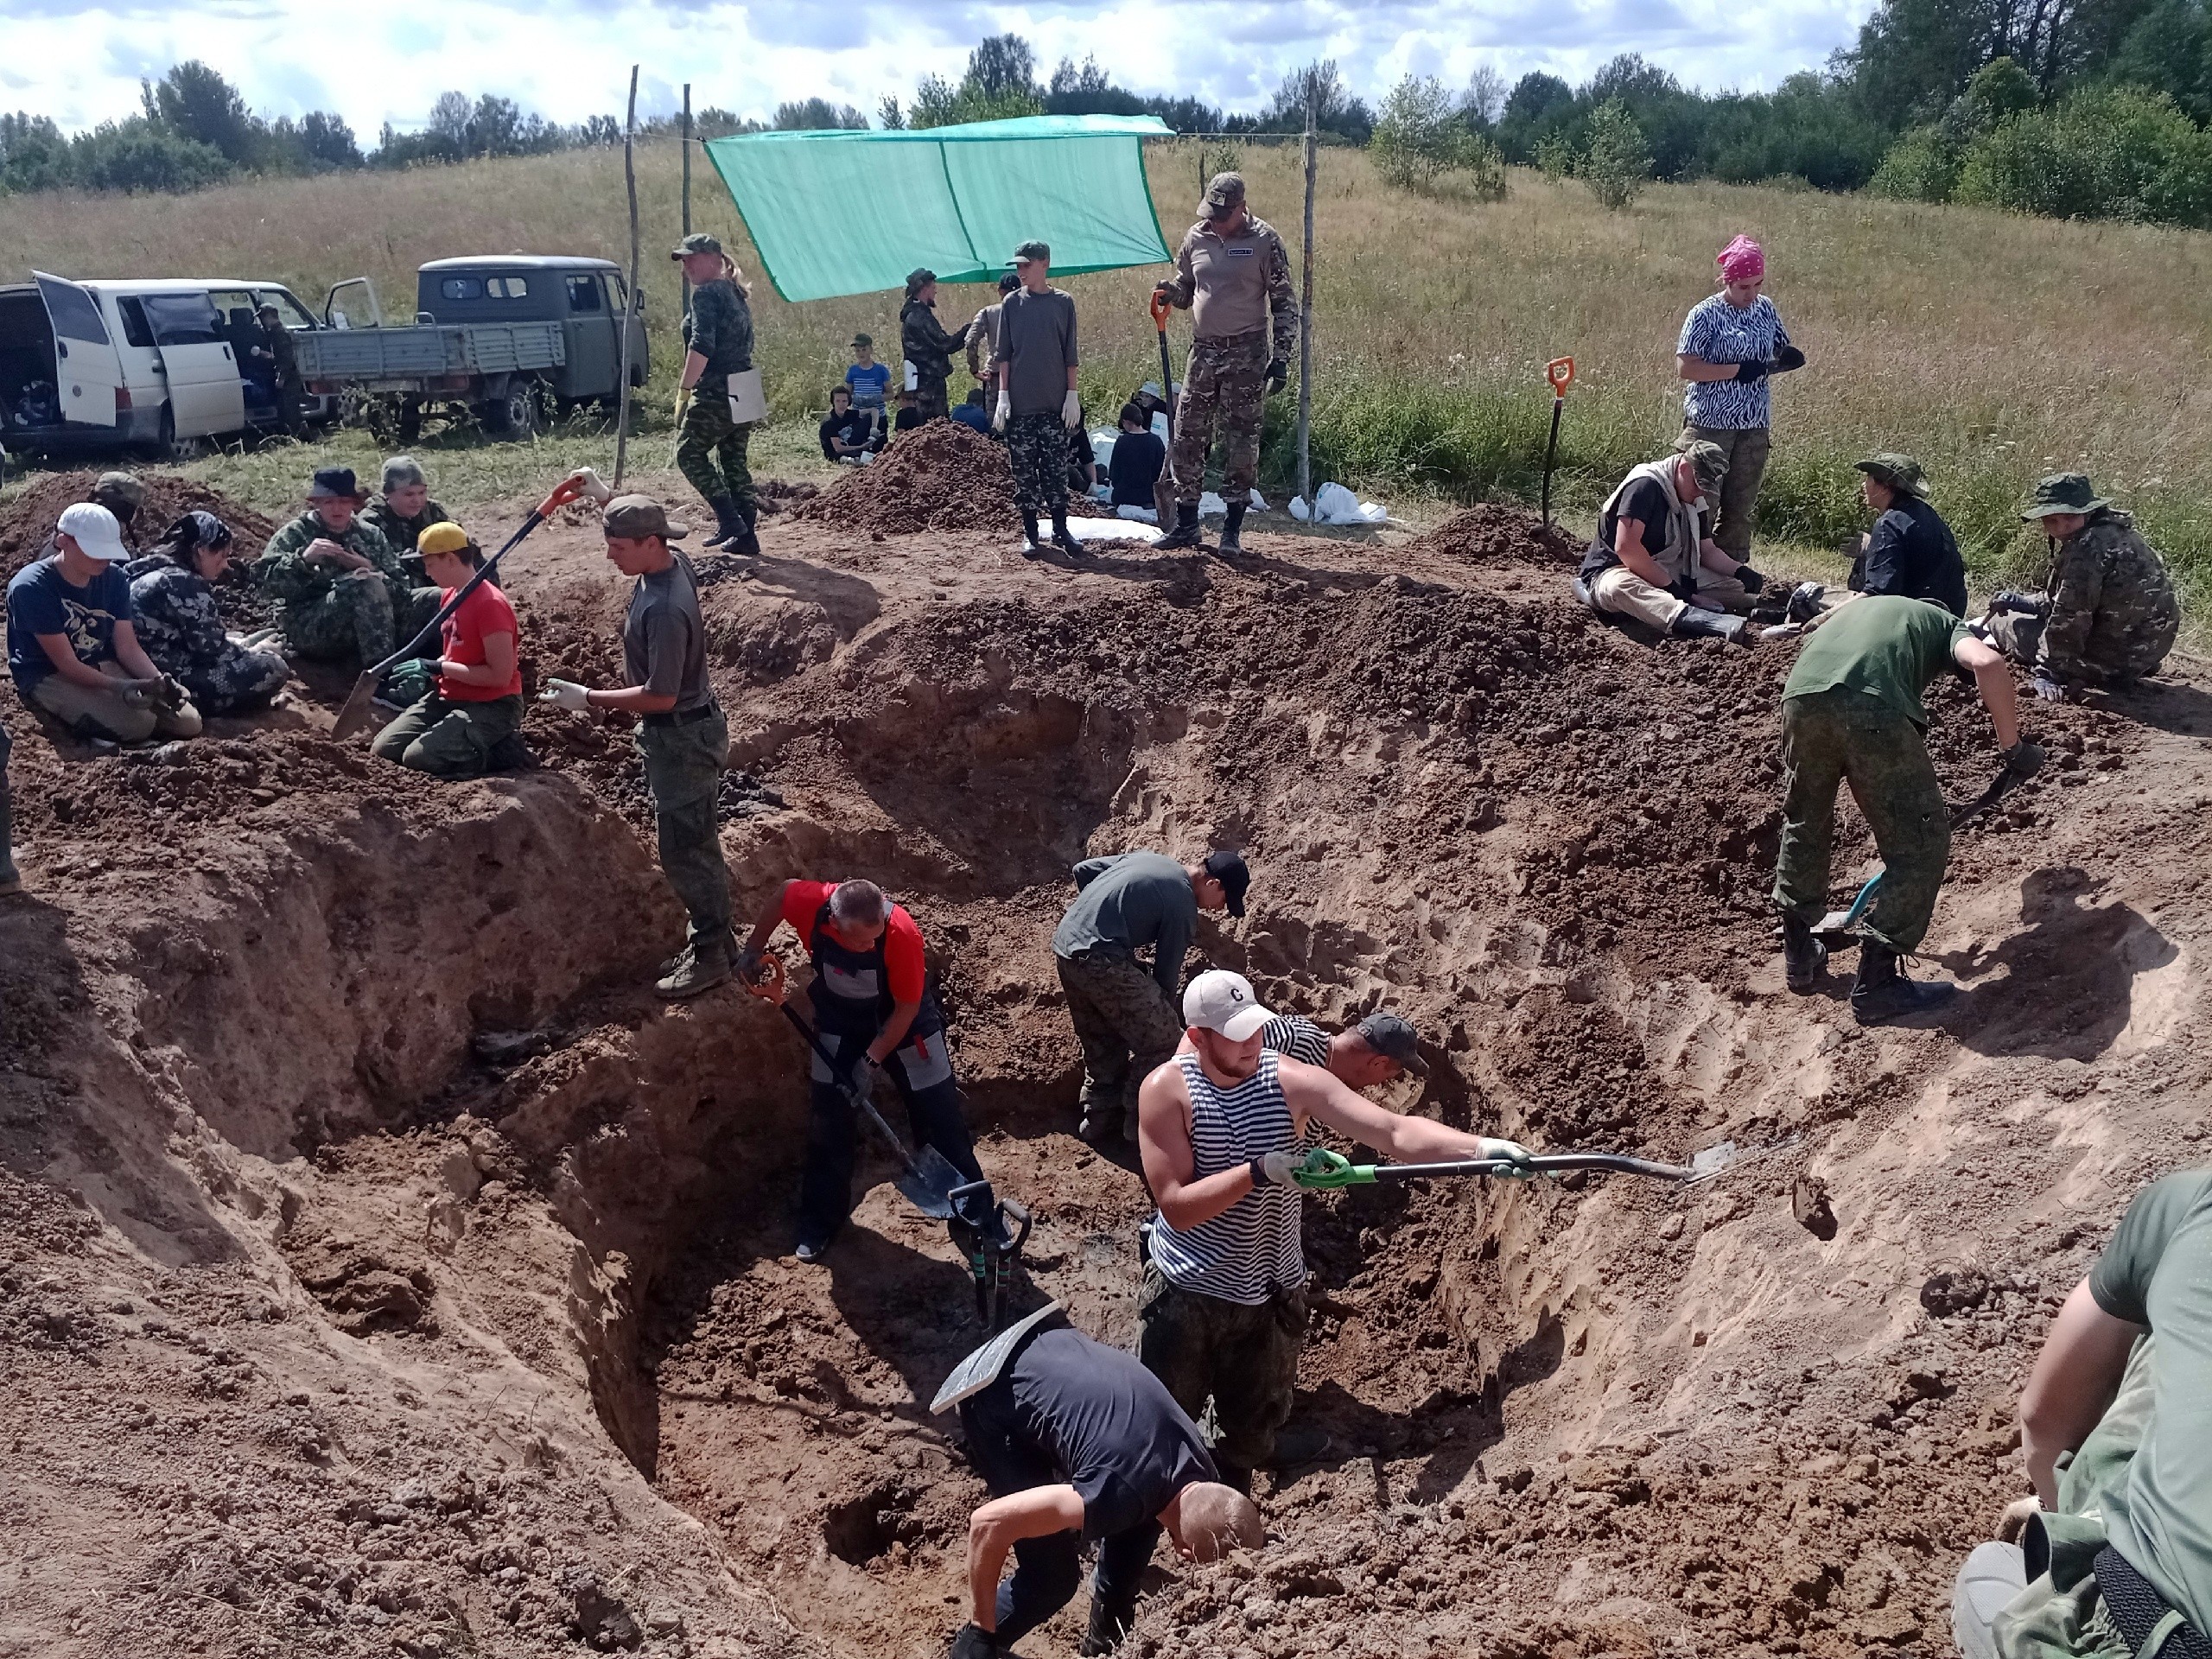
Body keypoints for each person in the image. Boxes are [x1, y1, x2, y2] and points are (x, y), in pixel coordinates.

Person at [1137, 970, 1534, 1491]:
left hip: (1268, 1289)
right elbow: (1177, 1208)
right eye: (1236, 1036)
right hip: (1189, 1292)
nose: (1252, 1044)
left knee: (1252, 1430)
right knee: (1161, 1428)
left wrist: (1480, 1149)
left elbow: (1393, 1131)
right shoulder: (1168, 1093)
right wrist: (1259, 1171)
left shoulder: (1286, 1079)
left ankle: (1241, 1477)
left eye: (1255, 1029)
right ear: (1197, 1038)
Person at [1948, 1166, 2212, 1659]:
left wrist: (2064, 1517)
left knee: (1987, 1573)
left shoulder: (2191, 1206)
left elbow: (2041, 1421)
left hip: (2146, 1632)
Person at [1770, 594, 2041, 1022]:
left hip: (1800, 701)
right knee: (1919, 845)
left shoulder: (1861, 611)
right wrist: (2013, 748)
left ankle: (1799, 954)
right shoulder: (1944, 622)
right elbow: (1987, 664)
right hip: (1872, 707)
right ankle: (1877, 987)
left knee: (1806, 821)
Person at [946, 1313, 1263, 1658]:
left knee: (1132, 1546)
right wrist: (982, 1625)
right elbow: (988, 1522)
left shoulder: (1200, 1469)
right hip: (993, 1389)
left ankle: (1104, 1649)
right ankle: (973, 1648)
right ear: (1183, 1553)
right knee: (1052, 1579)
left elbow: (1140, 1505)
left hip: (1048, 1344)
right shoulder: (1115, 1492)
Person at [540, 483, 733, 1001]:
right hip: (685, 733)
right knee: (691, 843)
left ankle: (714, 952)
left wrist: (590, 698)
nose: (609, 556)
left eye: (618, 548)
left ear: (651, 543)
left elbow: (662, 696)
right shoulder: (668, 561)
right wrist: (606, 498)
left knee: (687, 851)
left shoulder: (666, 609)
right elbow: (639, 525)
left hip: (682, 737)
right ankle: (711, 940)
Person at [736, 877, 988, 1262]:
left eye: (876, 937)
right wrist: (753, 948)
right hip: (840, 1019)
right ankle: (820, 1220)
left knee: (939, 1113)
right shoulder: (813, 904)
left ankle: (976, 1214)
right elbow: (783, 893)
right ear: (834, 924)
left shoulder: (901, 931)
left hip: (907, 1024)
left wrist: (868, 1063)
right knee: (828, 1118)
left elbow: (905, 1009)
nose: (872, 946)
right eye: (862, 942)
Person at [1052, 848, 1249, 1145]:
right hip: (1102, 960)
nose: (1220, 909)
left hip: (1067, 946)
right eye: (1224, 900)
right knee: (1167, 1041)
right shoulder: (1182, 905)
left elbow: (1084, 870)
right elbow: (1166, 977)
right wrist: (1159, 1018)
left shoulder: (1152, 861)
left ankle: (1098, 1118)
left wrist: (1103, 916)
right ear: (1213, 884)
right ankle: (1138, 1123)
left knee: (1101, 1036)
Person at [1154, 174, 1296, 557]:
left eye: (1222, 214)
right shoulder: (1196, 238)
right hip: (1203, 351)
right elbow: (1187, 290)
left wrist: (1281, 357)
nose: (1214, 220)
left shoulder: (1265, 242)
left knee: (1241, 439)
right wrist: (1171, 292)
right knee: (1186, 434)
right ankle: (1186, 524)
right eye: (1210, 212)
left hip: (1246, 353)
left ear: (1241, 208)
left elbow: (1283, 303)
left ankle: (1231, 530)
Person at [7, 502, 200, 743]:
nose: (104, 560)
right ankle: (88, 738)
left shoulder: (114, 578)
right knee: (139, 726)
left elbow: (127, 647)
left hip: (98, 661)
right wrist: (120, 687)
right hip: (49, 673)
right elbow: (66, 663)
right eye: (95, 551)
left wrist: (158, 681)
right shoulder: (31, 587)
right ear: (63, 541)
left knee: (188, 722)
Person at [1986, 474, 2179, 702]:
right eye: (2052, 520)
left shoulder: (2086, 550)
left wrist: (2050, 671)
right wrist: (2024, 602)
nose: (2061, 527)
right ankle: (2127, 667)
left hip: (2117, 655)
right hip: (2149, 648)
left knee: (2002, 624)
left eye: (2068, 517)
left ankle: (2106, 671)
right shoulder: (2116, 531)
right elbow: (2075, 598)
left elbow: (2070, 618)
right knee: (2023, 616)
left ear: (2086, 512)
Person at [1675, 235, 1802, 560]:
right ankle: (1688, 566)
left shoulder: (1765, 308)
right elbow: (1686, 367)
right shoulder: (1704, 314)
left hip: (1754, 422)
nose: (1752, 293)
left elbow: (1776, 348)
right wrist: (1735, 371)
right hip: (1710, 423)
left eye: (1758, 284)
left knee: (1741, 504)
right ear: (1728, 281)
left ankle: (1732, 571)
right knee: (1702, 500)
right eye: (1744, 286)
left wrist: (1785, 358)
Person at [370, 523, 528, 779]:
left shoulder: (490, 605)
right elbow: (457, 653)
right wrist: (430, 675)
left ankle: (499, 751)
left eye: (430, 564)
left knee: (418, 758)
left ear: (451, 559)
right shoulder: (451, 596)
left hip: (492, 705)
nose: (427, 572)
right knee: (384, 750)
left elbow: (499, 675)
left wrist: (438, 667)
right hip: (450, 695)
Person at [1577, 441, 1762, 643]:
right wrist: (1680, 593)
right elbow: (1627, 548)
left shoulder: (1693, 498)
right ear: (1684, 468)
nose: (1701, 493)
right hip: (1615, 571)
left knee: (1735, 586)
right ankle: (1701, 620)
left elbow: (1706, 550)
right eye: (1699, 485)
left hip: (1662, 568)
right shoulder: (1645, 485)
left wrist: (1741, 571)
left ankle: (1750, 608)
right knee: (1620, 587)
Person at [123, 511, 289, 715]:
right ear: (201, 550)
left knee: (236, 638)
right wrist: (258, 650)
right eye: (222, 555)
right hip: (168, 681)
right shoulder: (183, 583)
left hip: (142, 667)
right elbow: (212, 651)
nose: (226, 564)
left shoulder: (150, 568)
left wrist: (239, 644)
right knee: (274, 667)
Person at [992, 241, 1083, 558]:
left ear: (1044, 263)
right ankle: (1031, 533)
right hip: (1021, 407)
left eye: (1025, 265)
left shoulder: (1063, 303)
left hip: (1053, 405)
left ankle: (1061, 530)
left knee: (1056, 472)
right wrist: (1003, 395)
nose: (1020, 272)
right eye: (1017, 266)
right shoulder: (1011, 305)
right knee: (1025, 473)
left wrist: (1072, 395)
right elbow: (1004, 355)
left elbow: (1069, 354)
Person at [672, 234, 760, 556]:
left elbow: (702, 345)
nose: (686, 267)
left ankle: (729, 521)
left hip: (719, 387)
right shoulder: (734, 291)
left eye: (691, 259)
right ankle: (746, 535)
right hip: (747, 383)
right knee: (733, 460)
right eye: (683, 261)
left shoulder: (707, 294)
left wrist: (684, 390)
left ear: (713, 258)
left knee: (688, 454)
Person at [1847, 454, 1967, 616]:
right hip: (1949, 616)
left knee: (1807, 596)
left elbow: (1878, 594)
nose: (1864, 484)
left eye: (1869, 477)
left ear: (1884, 488)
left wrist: (1823, 619)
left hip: (1912, 619)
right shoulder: (1925, 513)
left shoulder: (1888, 524)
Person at [1255, 1008, 1429, 1090]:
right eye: (1387, 1076)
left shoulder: (1329, 1082)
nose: (1378, 1084)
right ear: (1378, 1063)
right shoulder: (1290, 1038)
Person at [359, 456, 453, 578]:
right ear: (388, 493)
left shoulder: (432, 510)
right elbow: (383, 567)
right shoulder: (371, 522)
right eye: (409, 494)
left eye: (422, 493)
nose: (417, 500)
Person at [900, 268, 970, 424]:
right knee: (935, 428)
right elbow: (945, 344)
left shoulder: (914, 314)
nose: (935, 292)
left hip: (923, 382)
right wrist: (970, 330)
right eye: (933, 288)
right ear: (924, 289)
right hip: (928, 384)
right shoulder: (919, 316)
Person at [966, 271, 1022, 404]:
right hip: (1022, 376)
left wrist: (974, 369)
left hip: (995, 375)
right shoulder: (1031, 312)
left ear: (999, 291)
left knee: (995, 420)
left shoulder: (987, 313)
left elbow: (970, 340)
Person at [253, 304, 307, 435]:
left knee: (291, 412)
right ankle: (291, 437)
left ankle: (303, 438)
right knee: (284, 411)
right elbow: (278, 356)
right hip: (287, 376)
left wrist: (281, 378)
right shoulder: (275, 333)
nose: (262, 321)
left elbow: (286, 359)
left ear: (269, 316)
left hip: (289, 378)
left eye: (263, 317)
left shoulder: (280, 334)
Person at [1109, 403, 1167, 513]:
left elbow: (1114, 474)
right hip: (1149, 497)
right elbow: (1162, 472)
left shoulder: (1122, 441)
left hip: (1124, 496)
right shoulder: (1156, 441)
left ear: (1126, 422)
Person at [818, 386, 875, 463]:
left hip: (851, 445)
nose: (841, 404)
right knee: (850, 459)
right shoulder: (829, 422)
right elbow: (838, 449)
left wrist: (874, 429)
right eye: (838, 401)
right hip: (836, 453)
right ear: (833, 402)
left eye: (844, 401)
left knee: (867, 418)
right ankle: (855, 460)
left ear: (849, 402)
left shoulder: (849, 414)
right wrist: (861, 447)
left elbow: (873, 411)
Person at [844, 333, 892, 424]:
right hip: (858, 416)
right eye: (858, 351)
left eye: (864, 350)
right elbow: (847, 394)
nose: (861, 353)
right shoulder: (852, 370)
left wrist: (876, 398)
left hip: (878, 417)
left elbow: (890, 394)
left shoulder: (881, 370)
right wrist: (857, 399)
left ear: (871, 350)